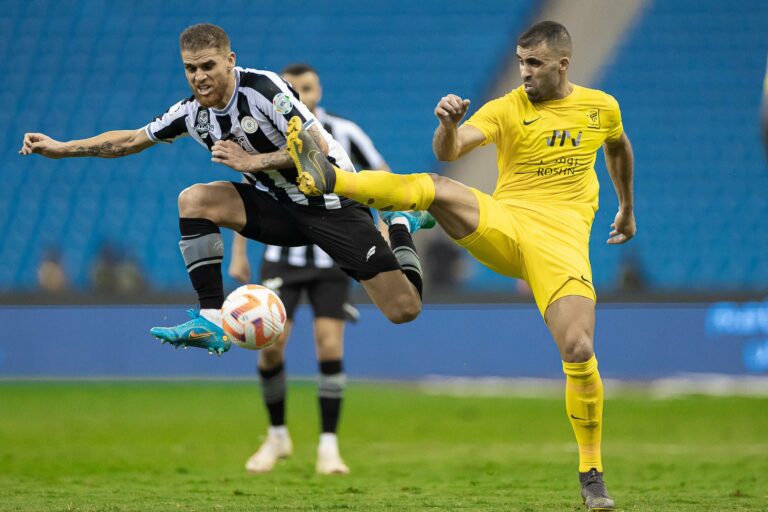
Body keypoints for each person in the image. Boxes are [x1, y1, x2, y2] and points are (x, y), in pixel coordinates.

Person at [285, 21, 634, 511]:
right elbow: (451, 150)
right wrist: (448, 125)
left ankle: (591, 472)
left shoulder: (601, 107)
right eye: (519, 62)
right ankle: (333, 180)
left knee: (578, 349)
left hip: (563, 244)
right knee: (435, 181)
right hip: (507, 223)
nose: (524, 72)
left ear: (562, 64)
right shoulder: (507, 107)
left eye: (533, 64)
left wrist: (626, 207)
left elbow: (618, 147)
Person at [19, 23, 433, 356]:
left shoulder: (265, 89)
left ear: (230, 61)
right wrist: (61, 148)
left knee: (404, 309)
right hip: (278, 208)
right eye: (190, 68)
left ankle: (399, 221)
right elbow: (129, 141)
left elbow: (318, 150)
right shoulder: (191, 114)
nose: (199, 77)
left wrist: (252, 162)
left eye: (208, 66)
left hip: (332, 203)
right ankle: (211, 319)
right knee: (194, 199)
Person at [229, 63, 390, 475]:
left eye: (310, 88)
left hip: (331, 257)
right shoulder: (263, 132)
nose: (304, 95)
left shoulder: (342, 133)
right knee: (271, 345)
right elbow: (249, 196)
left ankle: (329, 446)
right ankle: (277, 434)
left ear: (318, 91)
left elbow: (381, 176)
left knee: (330, 346)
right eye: (296, 88)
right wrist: (240, 252)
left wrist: (384, 225)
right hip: (283, 256)